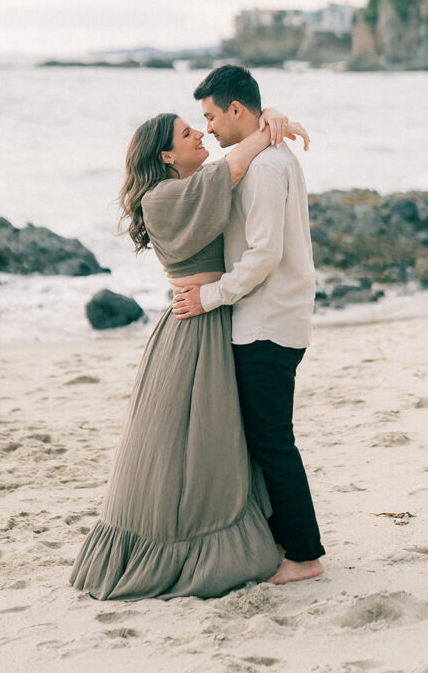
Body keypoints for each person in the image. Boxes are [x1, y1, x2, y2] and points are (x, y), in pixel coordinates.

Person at [70, 107, 309, 600]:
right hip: (194, 325)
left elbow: (235, 168)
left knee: (222, 441)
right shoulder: (164, 198)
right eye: (187, 132)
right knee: (184, 444)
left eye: (200, 122)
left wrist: (270, 117)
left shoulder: (192, 187)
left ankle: (276, 536)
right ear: (165, 155)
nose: (200, 133)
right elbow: (235, 164)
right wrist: (269, 126)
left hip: (217, 315)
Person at [172, 65, 325, 585]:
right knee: (267, 439)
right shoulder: (271, 154)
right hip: (278, 316)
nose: (209, 128)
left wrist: (209, 297)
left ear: (237, 110)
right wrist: (273, 119)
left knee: (272, 442)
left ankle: (304, 554)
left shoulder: (263, 168)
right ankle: (287, 541)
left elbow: (262, 256)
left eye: (211, 116)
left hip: (265, 323)